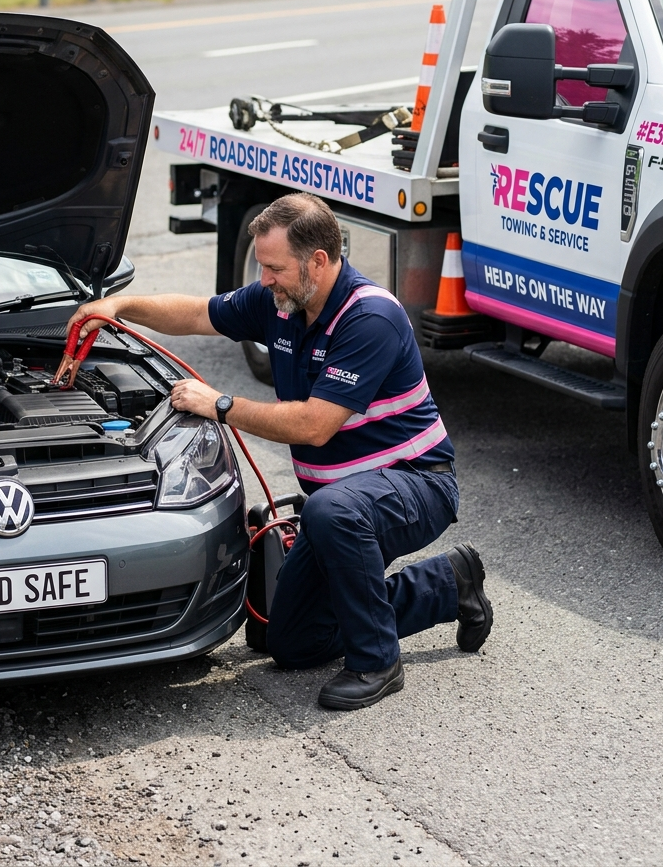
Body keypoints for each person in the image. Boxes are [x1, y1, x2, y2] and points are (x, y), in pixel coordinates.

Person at [70, 193, 492, 710]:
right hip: (340, 506)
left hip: (416, 485)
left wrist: (220, 404)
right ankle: (448, 584)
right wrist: (119, 307)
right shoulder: (284, 301)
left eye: (275, 268)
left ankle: (377, 662)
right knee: (293, 643)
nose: (264, 278)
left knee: (332, 509)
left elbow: (315, 427)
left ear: (318, 260)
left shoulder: (370, 318)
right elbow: (198, 313)